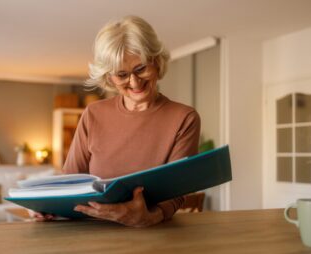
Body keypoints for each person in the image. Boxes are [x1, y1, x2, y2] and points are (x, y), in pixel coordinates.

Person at [33, 15, 200, 227]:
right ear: (110, 78)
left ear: (156, 62)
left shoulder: (184, 118)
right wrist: (48, 208)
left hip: (152, 234)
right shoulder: (93, 114)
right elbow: (70, 181)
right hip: (93, 232)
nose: (134, 81)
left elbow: (177, 191)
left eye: (141, 69)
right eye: (122, 74)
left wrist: (150, 217)